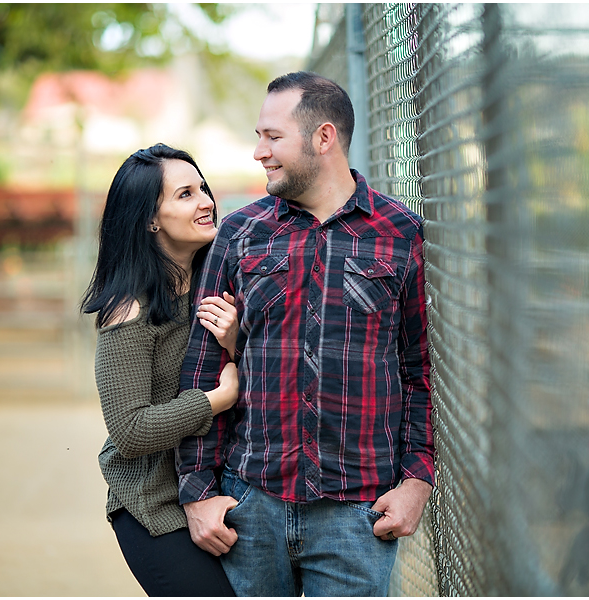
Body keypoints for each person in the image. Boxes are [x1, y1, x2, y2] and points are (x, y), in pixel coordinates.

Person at [176, 72, 435, 596]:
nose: (258, 152)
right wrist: (197, 491)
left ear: (324, 138)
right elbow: (203, 367)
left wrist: (417, 481)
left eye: (273, 137)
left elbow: (416, 370)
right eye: (258, 136)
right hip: (250, 508)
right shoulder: (240, 233)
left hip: (358, 514)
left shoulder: (401, 233)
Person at [81, 143, 241, 597]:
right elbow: (130, 430)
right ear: (150, 219)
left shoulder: (224, 280)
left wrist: (235, 342)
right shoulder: (128, 309)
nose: (207, 201)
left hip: (223, 490)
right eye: (185, 194)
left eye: (203, 188)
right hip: (155, 507)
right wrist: (215, 400)